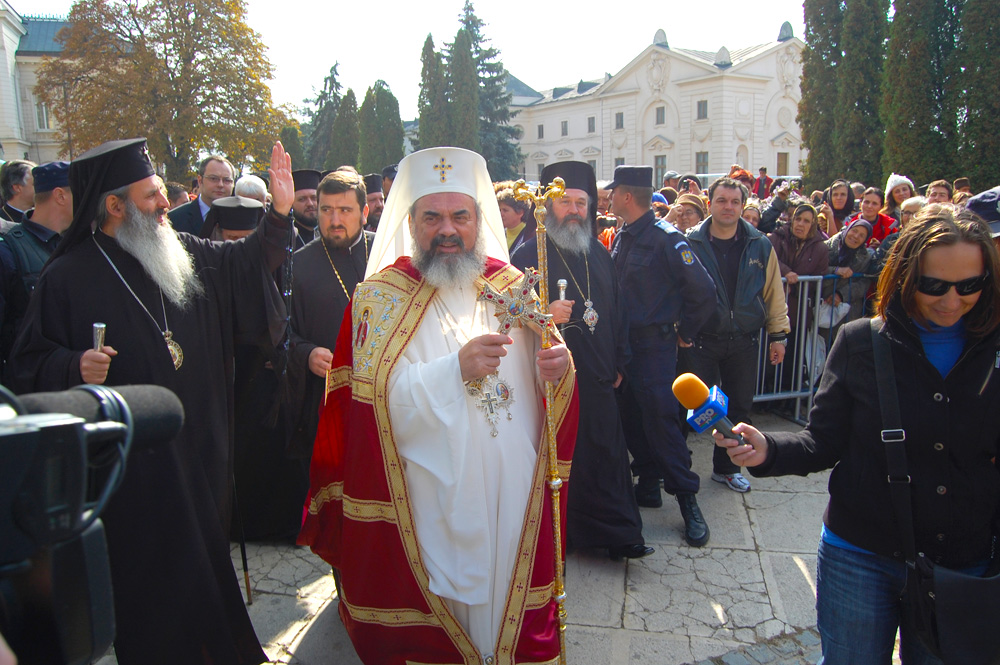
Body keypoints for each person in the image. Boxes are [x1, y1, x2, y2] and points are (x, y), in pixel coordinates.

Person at [8, 138, 297, 665]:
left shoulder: (181, 249)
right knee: (152, 592)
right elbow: (26, 364)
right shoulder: (67, 276)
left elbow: (244, 262)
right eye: (152, 196)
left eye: (164, 194)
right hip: (132, 470)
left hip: (198, 449)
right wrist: (73, 366)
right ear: (114, 206)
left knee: (203, 566)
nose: (166, 204)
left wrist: (278, 213)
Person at [298, 147, 576, 664]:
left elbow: (549, 383)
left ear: (477, 221)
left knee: (503, 609)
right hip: (428, 492)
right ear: (411, 222)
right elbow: (372, 407)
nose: (447, 230)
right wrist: (453, 371)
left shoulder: (511, 286)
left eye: (460, 216)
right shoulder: (376, 299)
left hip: (512, 490)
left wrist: (557, 371)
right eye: (433, 217)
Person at [714, 204, 1000, 664]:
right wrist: (766, 450)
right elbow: (821, 441)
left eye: (969, 286)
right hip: (860, 555)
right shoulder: (862, 342)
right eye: (934, 285)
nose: (951, 300)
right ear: (906, 276)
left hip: (962, 559)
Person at [511, 160, 650, 560]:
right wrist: (543, 314)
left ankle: (622, 533)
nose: (573, 210)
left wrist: (621, 362)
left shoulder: (599, 254)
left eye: (581, 202)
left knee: (607, 454)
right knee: (566, 460)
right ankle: (564, 535)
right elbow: (503, 318)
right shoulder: (526, 254)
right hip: (554, 382)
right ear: (546, 207)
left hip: (601, 378)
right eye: (564, 202)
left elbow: (617, 311)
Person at [608, 165, 717, 546]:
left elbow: (703, 292)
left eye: (613, 191)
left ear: (626, 196)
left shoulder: (666, 239)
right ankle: (649, 483)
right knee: (632, 417)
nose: (608, 198)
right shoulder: (623, 236)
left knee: (662, 419)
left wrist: (684, 332)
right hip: (625, 346)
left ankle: (688, 500)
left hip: (654, 347)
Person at [679, 177, 790, 494]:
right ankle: (675, 468)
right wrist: (680, 329)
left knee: (739, 408)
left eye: (735, 201)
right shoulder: (689, 242)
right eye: (722, 200)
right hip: (700, 340)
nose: (728, 207)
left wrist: (778, 335)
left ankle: (726, 469)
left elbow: (773, 293)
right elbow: (676, 290)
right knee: (689, 409)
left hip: (744, 340)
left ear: (743, 205)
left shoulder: (760, 244)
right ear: (709, 202)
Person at [287, 170, 375, 465]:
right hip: (327, 403)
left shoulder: (387, 253)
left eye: (345, 211)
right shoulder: (297, 266)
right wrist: (306, 353)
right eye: (327, 210)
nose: (334, 221)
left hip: (386, 396)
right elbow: (279, 333)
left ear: (364, 212)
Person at [0, 161, 72, 367]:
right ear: (60, 196)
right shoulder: (8, 251)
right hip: (23, 385)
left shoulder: (75, 243)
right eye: (81, 193)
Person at [822, 218, 876, 333]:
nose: (856, 236)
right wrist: (835, 270)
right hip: (821, 305)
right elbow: (813, 269)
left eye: (862, 235)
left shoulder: (865, 258)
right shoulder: (825, 247)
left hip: (847, 313)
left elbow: (864, 283)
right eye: (854, 231)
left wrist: (841, 294)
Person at [168, 154, 236, 234]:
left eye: (227, 180)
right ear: (200, 181)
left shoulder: (242, 219)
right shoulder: (174, 219)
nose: (220, 184)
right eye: (213, 178)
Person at [496, 186, 534, 254]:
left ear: (520, 212)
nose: (500, 214)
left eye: (505, 210)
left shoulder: (530, 235)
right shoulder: (498, 234)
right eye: (499, 210)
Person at [291, 169, 321, 249]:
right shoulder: (288, 239)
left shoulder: (327, 235)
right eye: (302, 199)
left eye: (314, 198)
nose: (310, 204)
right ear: (291, 204)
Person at [0, 160, 36, 224]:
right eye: (36, 184)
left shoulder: (44, 216)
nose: (42, 187)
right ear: (17, 188)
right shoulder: (2, 222)